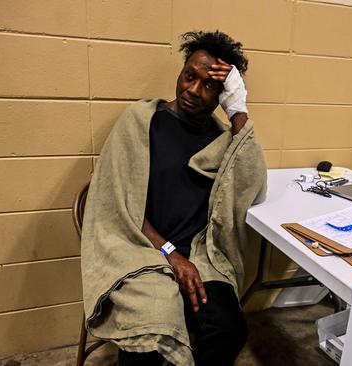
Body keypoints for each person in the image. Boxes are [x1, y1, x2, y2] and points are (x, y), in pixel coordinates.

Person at [80, 31, 267, 366]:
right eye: (189, 76)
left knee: (229, 328)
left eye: (209, 85)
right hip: (141, 250)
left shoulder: (221, 140)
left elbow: (251, 185)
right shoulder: (140, 122)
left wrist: (238, 109)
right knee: (150, 331)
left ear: (222, 93)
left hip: (200, 258)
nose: (193, 90)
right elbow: (116, 205)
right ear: (181, 72)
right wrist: (170, 254)